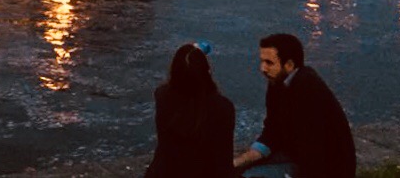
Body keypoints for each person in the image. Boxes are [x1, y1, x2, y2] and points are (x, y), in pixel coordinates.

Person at [234, 34, 355, 178]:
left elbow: (314, 149)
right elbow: (273, 129)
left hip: (326, 167)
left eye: (269, 63)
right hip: (294, 153)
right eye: (262, 62)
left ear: (289, 65)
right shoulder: (277, 83)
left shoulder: (308, 90)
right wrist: (242, 160)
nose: (263, 68)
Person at [146, 43, 236, 178]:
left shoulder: (162, 96)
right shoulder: (223, 107)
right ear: (208, 72)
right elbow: (223, 161)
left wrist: (192, 54)